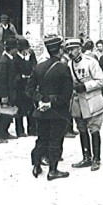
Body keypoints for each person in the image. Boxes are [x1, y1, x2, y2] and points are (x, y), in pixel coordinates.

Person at [27, 36, 73, 180]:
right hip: (57, 112)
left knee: (41, 138)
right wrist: (51, 103)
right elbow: (67, 94)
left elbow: (29, 89)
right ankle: (53, 170)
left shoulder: (39, 67)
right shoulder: (63, 68)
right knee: (55, 140)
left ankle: (36, 166)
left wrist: (40, 100)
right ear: (59, 50)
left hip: (40, 111)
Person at [65, 38, 103, 172]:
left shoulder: (91, 62)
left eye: (73, 49)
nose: (71, 52)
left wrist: (85, 86)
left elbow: (101, 81)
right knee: (81, 129)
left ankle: (96, 159)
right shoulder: (69, 64)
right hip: (77, 101)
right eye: (68, 50)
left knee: (94, 129)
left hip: (91, 100)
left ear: (79, 48)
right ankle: (86, 157)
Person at [0, 36, 19, 142]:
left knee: (8, 113)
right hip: (5, 92)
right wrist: (4, 95)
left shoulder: (8, 59)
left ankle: (5, 132)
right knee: (3, 114)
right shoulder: (4, 61)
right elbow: (1, 80)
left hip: (10, 91)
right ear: (12, 49)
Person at [13, 37, 37, 137]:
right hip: (19, 87)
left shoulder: (31, 54)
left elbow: (35, 66)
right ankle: (20, 130)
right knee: (19, 109)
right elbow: (14, 72)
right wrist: (25, 63)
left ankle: (32, 129)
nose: (27, 51)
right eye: (25, 49)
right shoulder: (15, 56)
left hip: (29, 85)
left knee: (31, 108)